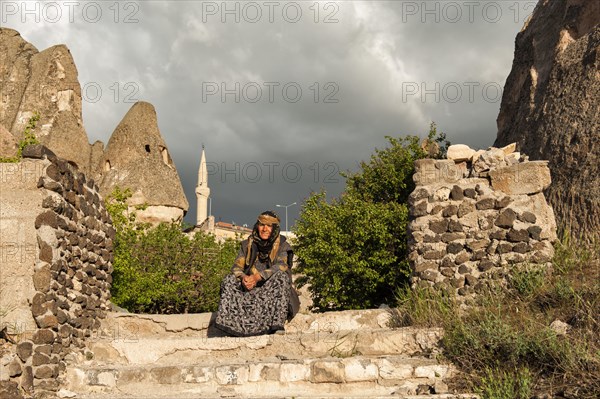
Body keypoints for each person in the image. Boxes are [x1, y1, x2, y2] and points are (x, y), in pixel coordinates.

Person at [214, 210, 299, 336]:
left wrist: (257, 277)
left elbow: (281, 266)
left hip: (271, 292)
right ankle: (231, 327)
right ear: (257, 226)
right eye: (262, 225)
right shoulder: (247, 245)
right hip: (249, 291)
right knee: (229, 279)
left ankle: (276, 325)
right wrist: (244, 278)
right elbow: (236, 267)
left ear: (274, 228)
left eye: (269, 226)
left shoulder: (283, 246)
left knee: (281, 277)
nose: (265, 229)